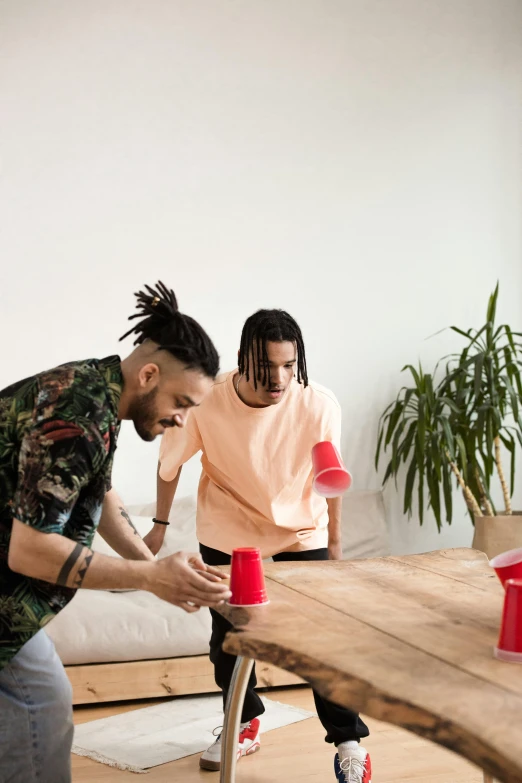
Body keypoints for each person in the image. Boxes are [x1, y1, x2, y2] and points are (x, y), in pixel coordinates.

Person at [0, 282, 232, 783]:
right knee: (39, 704)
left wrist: (157, 568)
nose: (181, 419)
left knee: (40, 703)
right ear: (149, 374)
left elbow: (100, 497)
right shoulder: (78, 415)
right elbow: (31, 549)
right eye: (182, 402)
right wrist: (150, 580)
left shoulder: (97, 392)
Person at [146, 308, 371, 783]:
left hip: (297, 529)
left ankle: (349, 741)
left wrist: (334, 545)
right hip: (229, 528)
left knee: (322, 640)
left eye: (289, 365)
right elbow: (171, 465)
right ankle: (243, 722)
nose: (280, 378)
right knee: (230, 638)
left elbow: (331, 477)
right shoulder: (209, 401)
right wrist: (160, 526)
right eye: (268, 366)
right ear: (244, 359)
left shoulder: (317, 404)